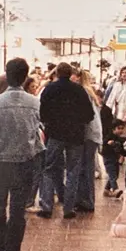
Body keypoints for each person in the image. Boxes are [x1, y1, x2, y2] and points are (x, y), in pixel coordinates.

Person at [0, 58, 44, 251]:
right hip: (24, 161)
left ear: (6, 75)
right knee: (18, 208)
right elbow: (38, 127)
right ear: (25, 77)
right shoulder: (34, 103)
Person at [38, 62, 95, 219]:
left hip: (55, 134)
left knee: (49, 169)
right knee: (73, 171)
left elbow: (42, 113)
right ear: (71, 74)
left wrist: (51, 123)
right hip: (75, 135)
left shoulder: (50, 89)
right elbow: (89, 114)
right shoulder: (79, 90)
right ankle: (69, 208)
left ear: (56, 73)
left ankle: (47, 206)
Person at [72, 68, 102, 213]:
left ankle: (87, 201)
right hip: (92, 134)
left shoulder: (82, 92)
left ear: (77, 77)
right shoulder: (88, 91)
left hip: (88, 134)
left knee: (85, 168)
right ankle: (85, 200)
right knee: (86, 167)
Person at [23, 75, 45, 212]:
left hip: (32, 140)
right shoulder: (33, 102)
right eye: (32, 87)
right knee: (36, 171)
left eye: (36, 87)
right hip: (34, 141)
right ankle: (29, 201)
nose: (35, 89)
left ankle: (27, 200)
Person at [102, 119, 126, 198]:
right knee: (112, 174)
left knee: (115, 175)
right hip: (108, 158)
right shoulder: (109, 137)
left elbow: (122, 150)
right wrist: (108, 143)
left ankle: (106, 190)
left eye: (122, 128)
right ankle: (115, 189)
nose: (121, 130)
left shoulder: (119, 139)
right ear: (113, 129)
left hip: (115, 159)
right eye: (118, 128)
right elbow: (104, 144)